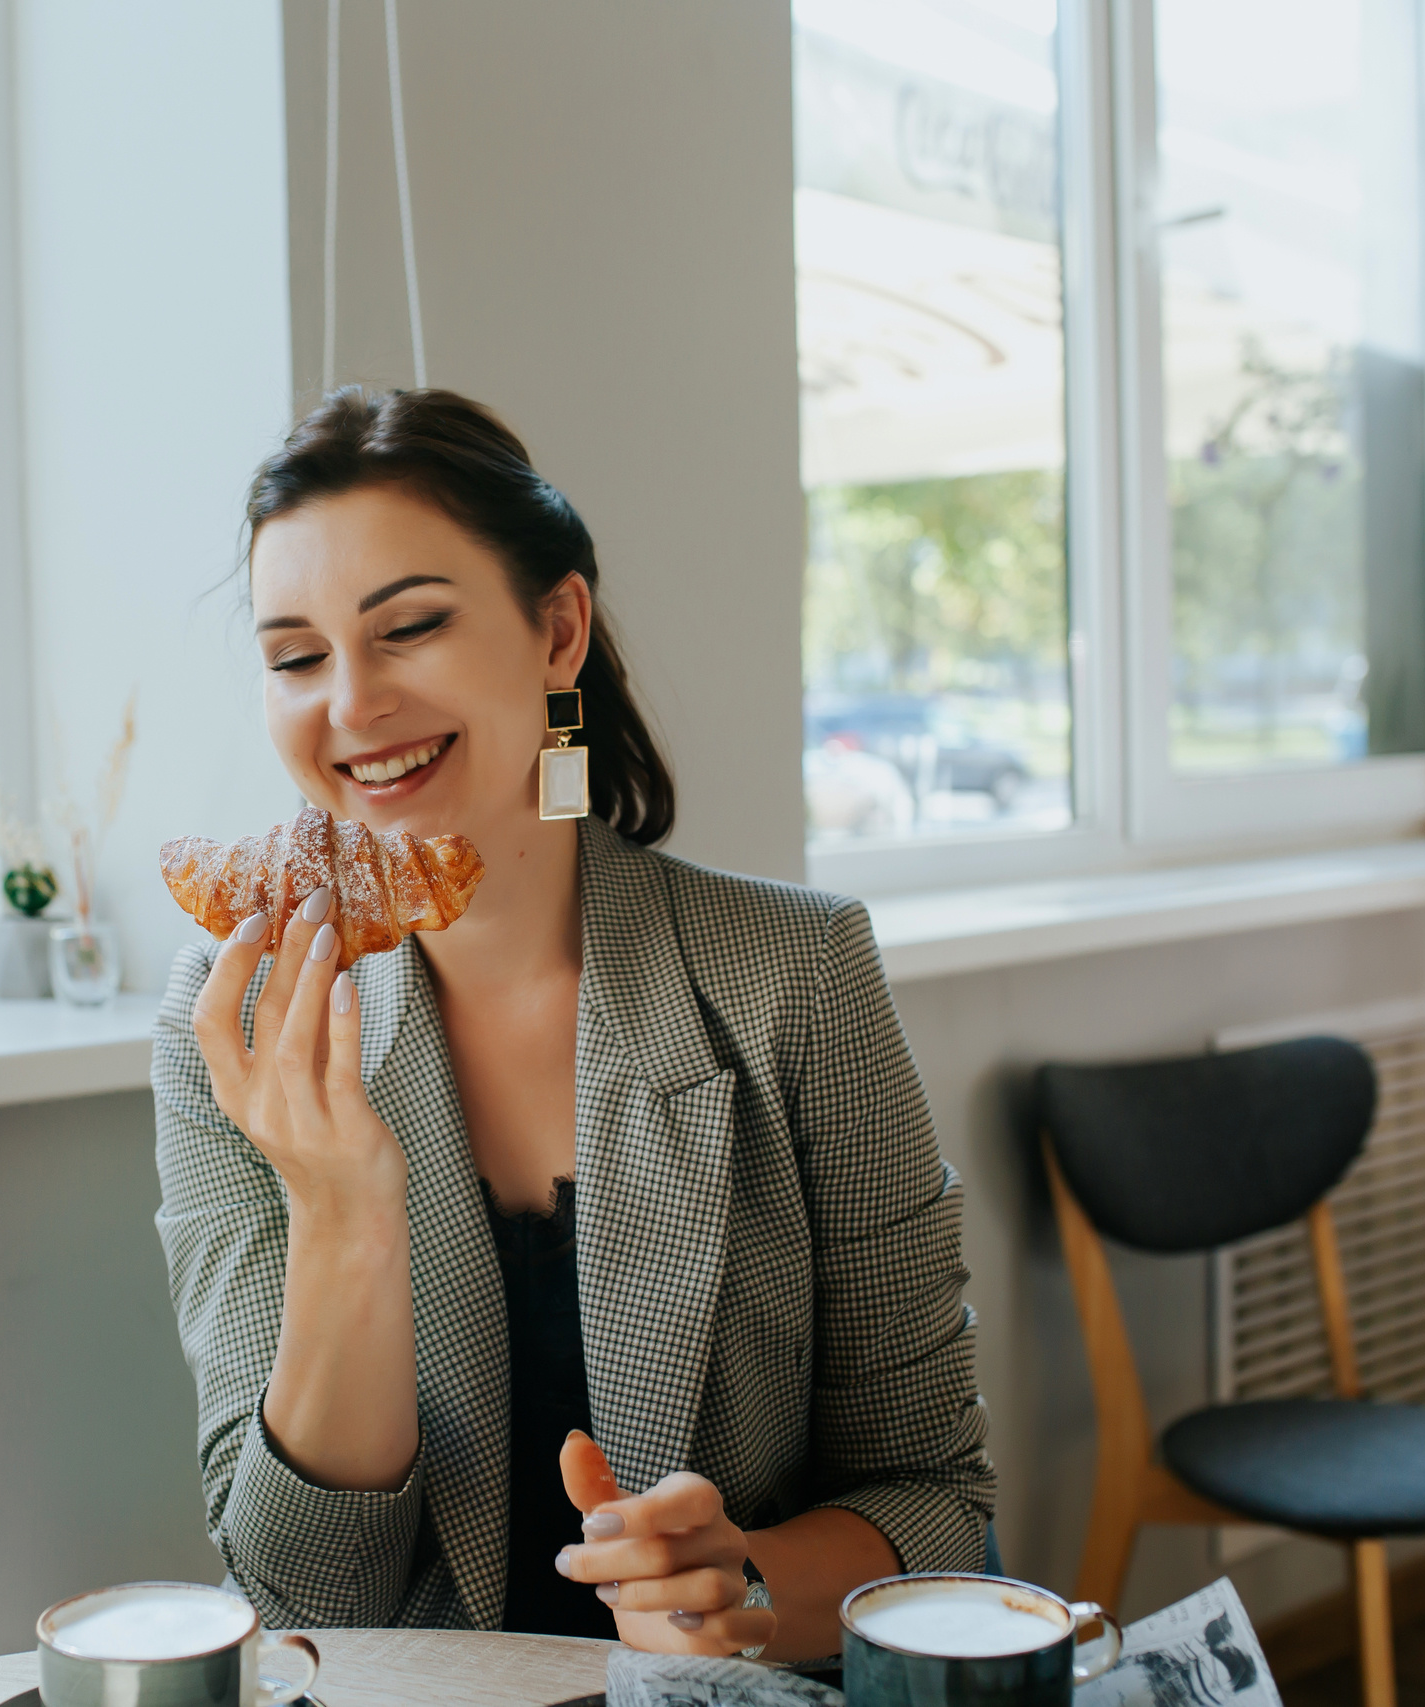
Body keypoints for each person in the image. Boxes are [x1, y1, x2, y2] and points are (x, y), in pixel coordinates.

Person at [151, 389, 992, 1660]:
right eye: (295, 657)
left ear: (557, 630)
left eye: (410, 628)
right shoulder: (234, 1022)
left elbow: (937, 1501)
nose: (352, 705)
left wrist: (744, 1584)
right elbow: (307, 1596)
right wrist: (341, 1211)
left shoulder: (796, 977)